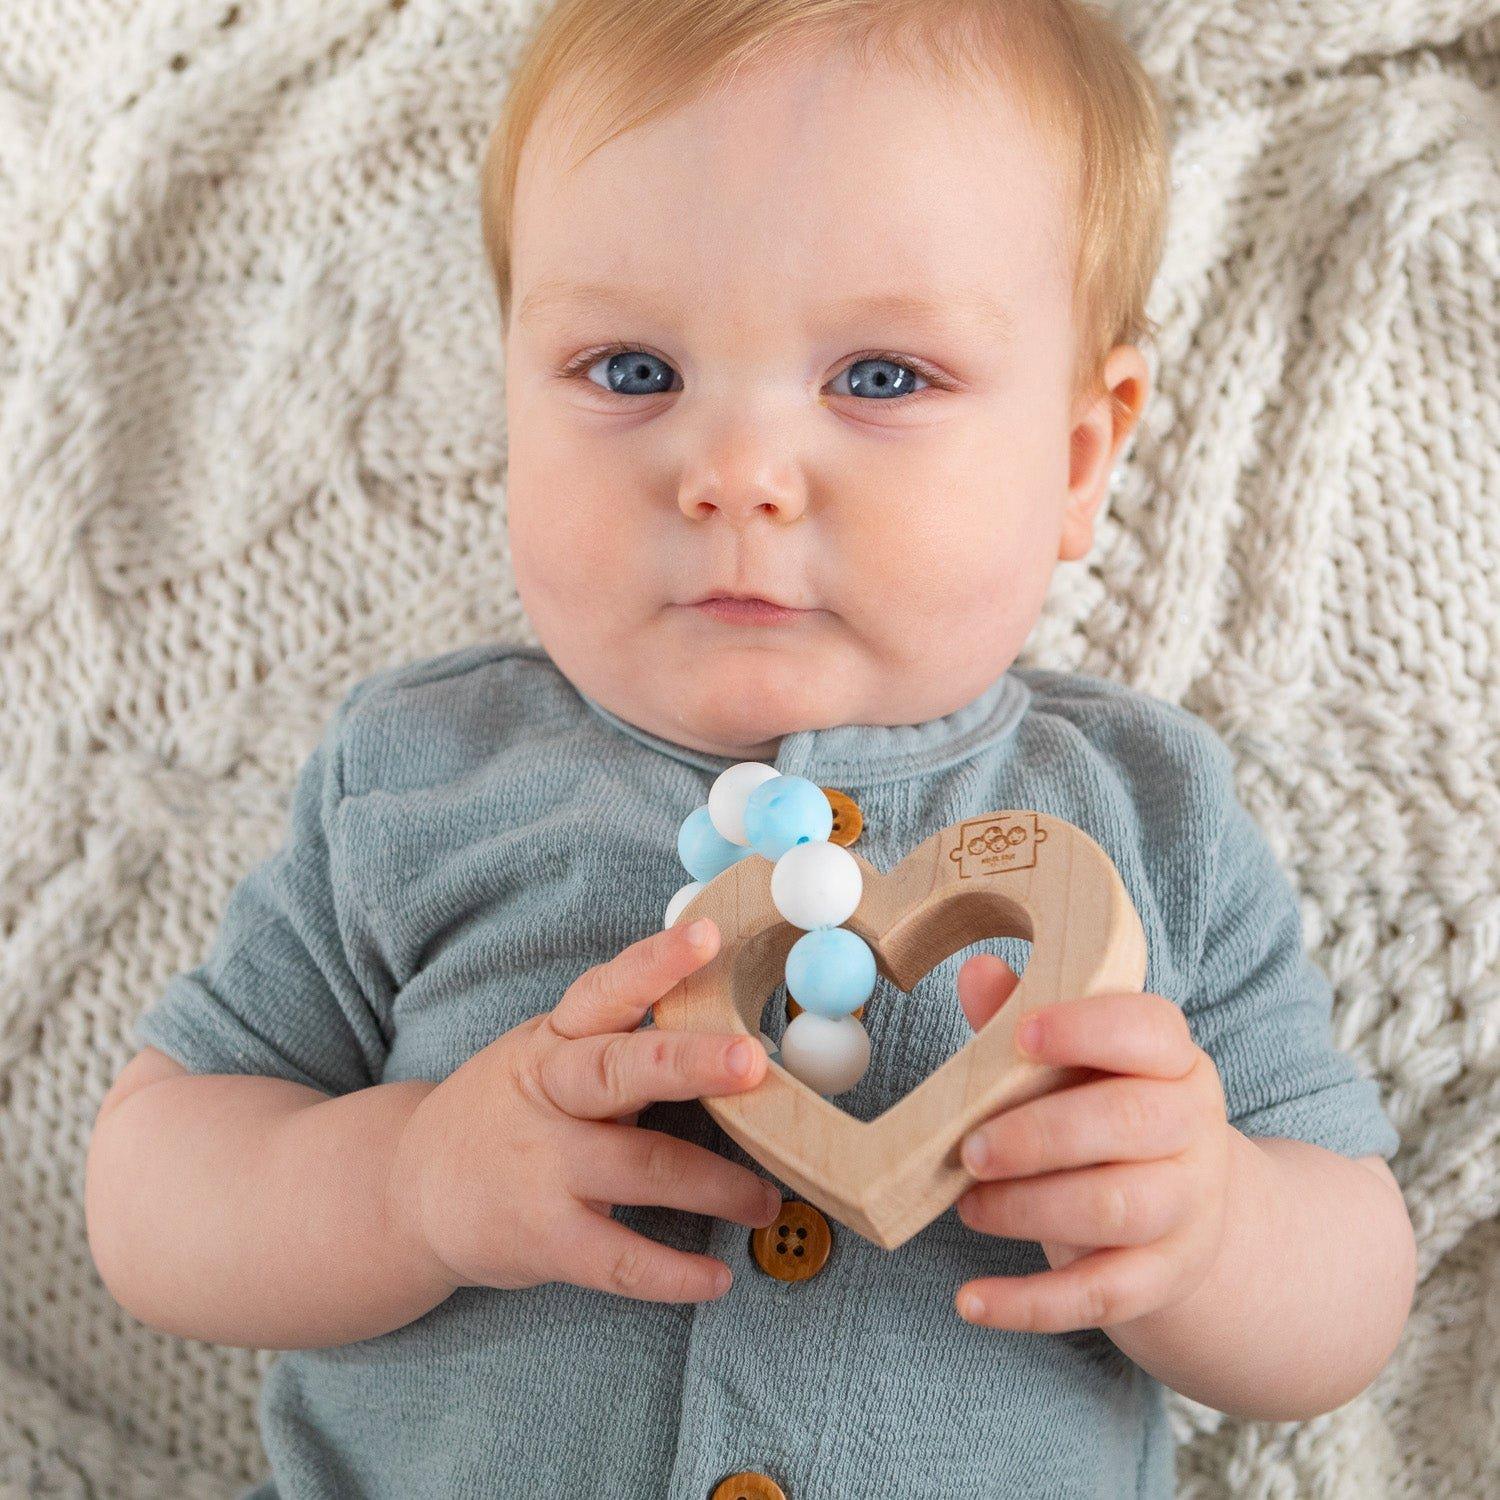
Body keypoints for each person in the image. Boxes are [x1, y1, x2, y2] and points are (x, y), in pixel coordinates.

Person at [83, 2, 1417, 1495]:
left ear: (1076, 458)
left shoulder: (1148, 818)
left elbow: (1351, 1297)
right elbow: (153, 1189)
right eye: (630, 370)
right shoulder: (418, 778)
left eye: (881, 377)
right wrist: (409, 1184)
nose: (736, 476)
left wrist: (1210, 1225)